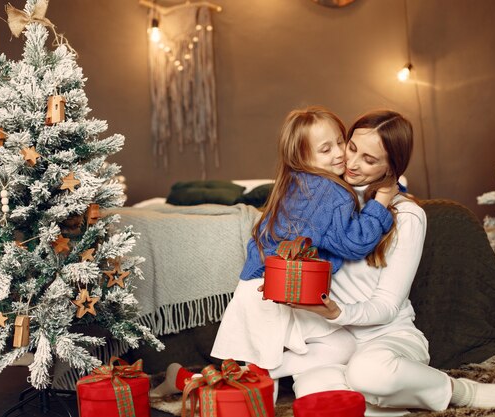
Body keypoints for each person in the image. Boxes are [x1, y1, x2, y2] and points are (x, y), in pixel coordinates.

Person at [290, 110, 495, 415]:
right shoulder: (321, 201)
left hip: (387, 338)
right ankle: (384, 399)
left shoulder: (407, 215)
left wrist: (337, 311)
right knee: (312, 389)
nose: (351, 163)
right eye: (351, 148)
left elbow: (387, 306)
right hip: (332, 341)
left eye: (369, 159)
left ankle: (463, 392)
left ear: (392, 166)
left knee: (368, 373)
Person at [151, 106, 398, 398]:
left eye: (340, 142)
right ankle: (193, 381)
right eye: (325, 149)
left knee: (326, 351)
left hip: (264, 287)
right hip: (278, 291)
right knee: (268, 388)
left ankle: (185, 379)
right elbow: (354, 243)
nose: (340, 154)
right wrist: (380, 203)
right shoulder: (329, 192)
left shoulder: (295, 184)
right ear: (303, 158)